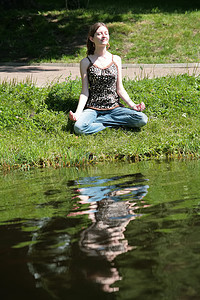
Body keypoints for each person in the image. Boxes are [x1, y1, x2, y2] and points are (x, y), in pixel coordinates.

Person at [69, 22, 148, 135]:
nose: (104, 36)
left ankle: (100, 123)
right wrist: (78, 113)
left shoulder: (116, 59)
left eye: (106, 33)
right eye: (99, 34)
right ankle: (110, 123)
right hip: (93, 109)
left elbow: (120, 88)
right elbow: (84, 92)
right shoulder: (85, 62)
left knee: (142, 119)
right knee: (79, 128)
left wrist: (133, 105)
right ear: (92, 38)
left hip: (114, 108)